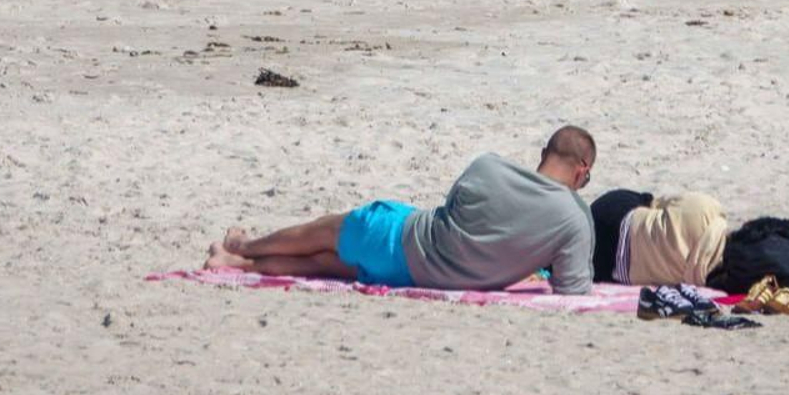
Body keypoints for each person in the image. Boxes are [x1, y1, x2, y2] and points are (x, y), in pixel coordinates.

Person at [205, 126, 598, 295]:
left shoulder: (490, 167)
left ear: (545, 154)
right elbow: (572, 287)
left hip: (403, 239)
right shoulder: (574, 220)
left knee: (320, 233)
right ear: (582, 171)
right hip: (424, 277)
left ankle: (246, 245)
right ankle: (238, 265)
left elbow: (450, 209)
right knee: (323, 263)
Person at [590, 189, 728, 287]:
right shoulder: (702, 279)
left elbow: (656, 202)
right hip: (610, 265)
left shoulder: (708, 208)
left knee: (648, 201)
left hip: (610, 215)